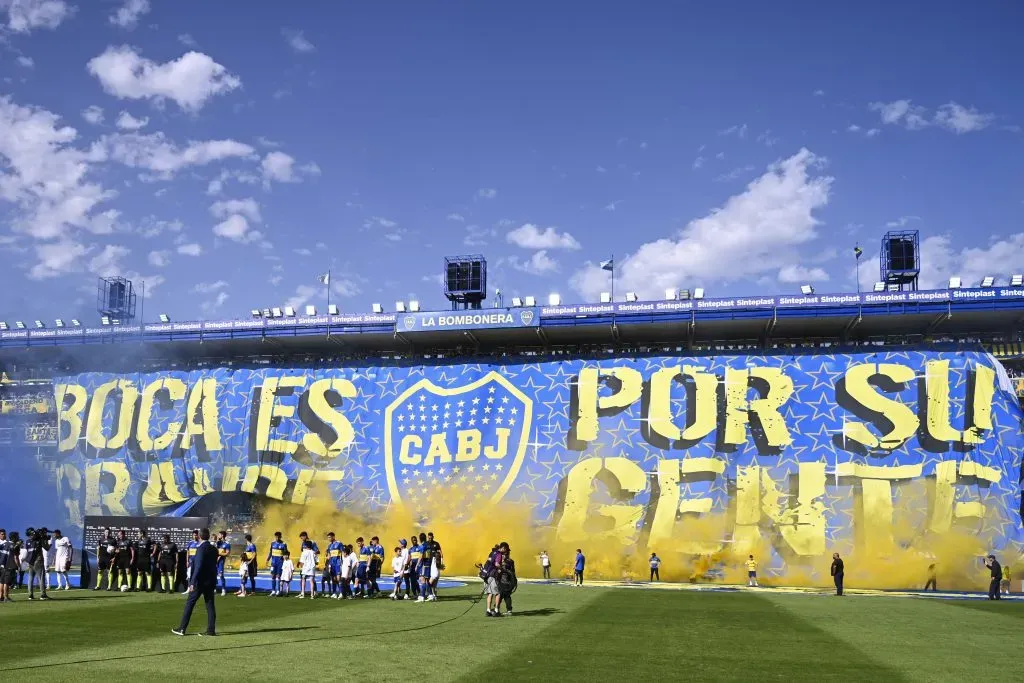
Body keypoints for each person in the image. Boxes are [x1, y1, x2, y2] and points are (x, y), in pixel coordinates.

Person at [172, 528, 218, 637]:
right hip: (210, 580)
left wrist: (192, 582)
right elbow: (213, 566)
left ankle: (182, 628)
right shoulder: (214, 549)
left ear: (199, 536)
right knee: (210, 605)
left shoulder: (201, 549)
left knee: (190, 603)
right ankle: (211, 630)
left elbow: (198, 566)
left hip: (200, 581)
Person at [25, 528, 51, 600]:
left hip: (30, 562)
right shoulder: (39, 540)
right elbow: (47, 548)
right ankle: (43, 595)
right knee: (41, 578)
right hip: (38, 561)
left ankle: (30, 595)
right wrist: (47, 540)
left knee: (30, 579)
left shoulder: (27, 541)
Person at [267, 531, 288, 596]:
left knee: (279, 576)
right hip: (273, 563)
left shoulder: (284, 544)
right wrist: (267, 559)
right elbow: (270, 552)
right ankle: (273, 590)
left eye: (278, 537)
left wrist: (286, 561)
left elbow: (286, 554)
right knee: (273, 576)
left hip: (280, 563)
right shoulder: (272, 543)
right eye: (276, 537)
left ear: (280, 537)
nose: (277, 538)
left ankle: (278, 590)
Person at [325, 532, 343, 598]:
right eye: (328, 537)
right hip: (332, 564)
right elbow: (328, 555)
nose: (329, 539)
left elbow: (343, 553)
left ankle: (341, 593)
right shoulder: (329, 545)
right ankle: (334, 593)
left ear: (333, 537)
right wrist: (328, 564)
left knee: (338, 578)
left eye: (330, 537)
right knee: (333, 579)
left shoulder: (339, 543)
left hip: (338, 563)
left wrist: (343, 562)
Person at [184, 529, 200, 595]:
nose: (195, 536)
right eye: (194, 535)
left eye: (196, 535)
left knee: (197, 575)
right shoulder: (190, 543)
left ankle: (197, 589)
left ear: (198, 535)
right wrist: (187, 561)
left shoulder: (200, 543)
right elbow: (188, 552)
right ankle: (188, 588)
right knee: (189, 575)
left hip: (197, 562)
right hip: (190, 562)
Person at [215, 531, 231, 596]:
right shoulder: (218, 543)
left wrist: (220, 554)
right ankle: (214, 588)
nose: (218, 535)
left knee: (221, 575)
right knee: (213, 575)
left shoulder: (227, 544)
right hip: (214, 561)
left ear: (222, 535)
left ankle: (223, 589)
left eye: (219, 534)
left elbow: (227, 553)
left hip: (221, 562)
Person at [0, 529, 12, 602]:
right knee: (4, 581)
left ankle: (3, 596)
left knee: (3, 581)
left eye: (4, 534)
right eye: (2, 534)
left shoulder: (8, 542)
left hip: (5, 564)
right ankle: (4, 597)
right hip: (2, 565)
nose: (3, 535)